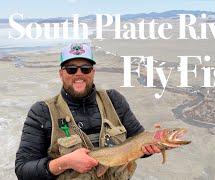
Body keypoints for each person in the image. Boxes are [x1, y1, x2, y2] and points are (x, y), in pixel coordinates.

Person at [15, 43, 161, 180]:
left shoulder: (114, 100)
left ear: (93, 72)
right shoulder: (42, 112)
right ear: (61, 74)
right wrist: (64, 163)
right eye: (71, 69)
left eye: (85, 68)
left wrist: (153, 141)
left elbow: (138, 142)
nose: (79, 74)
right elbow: (23, 170)